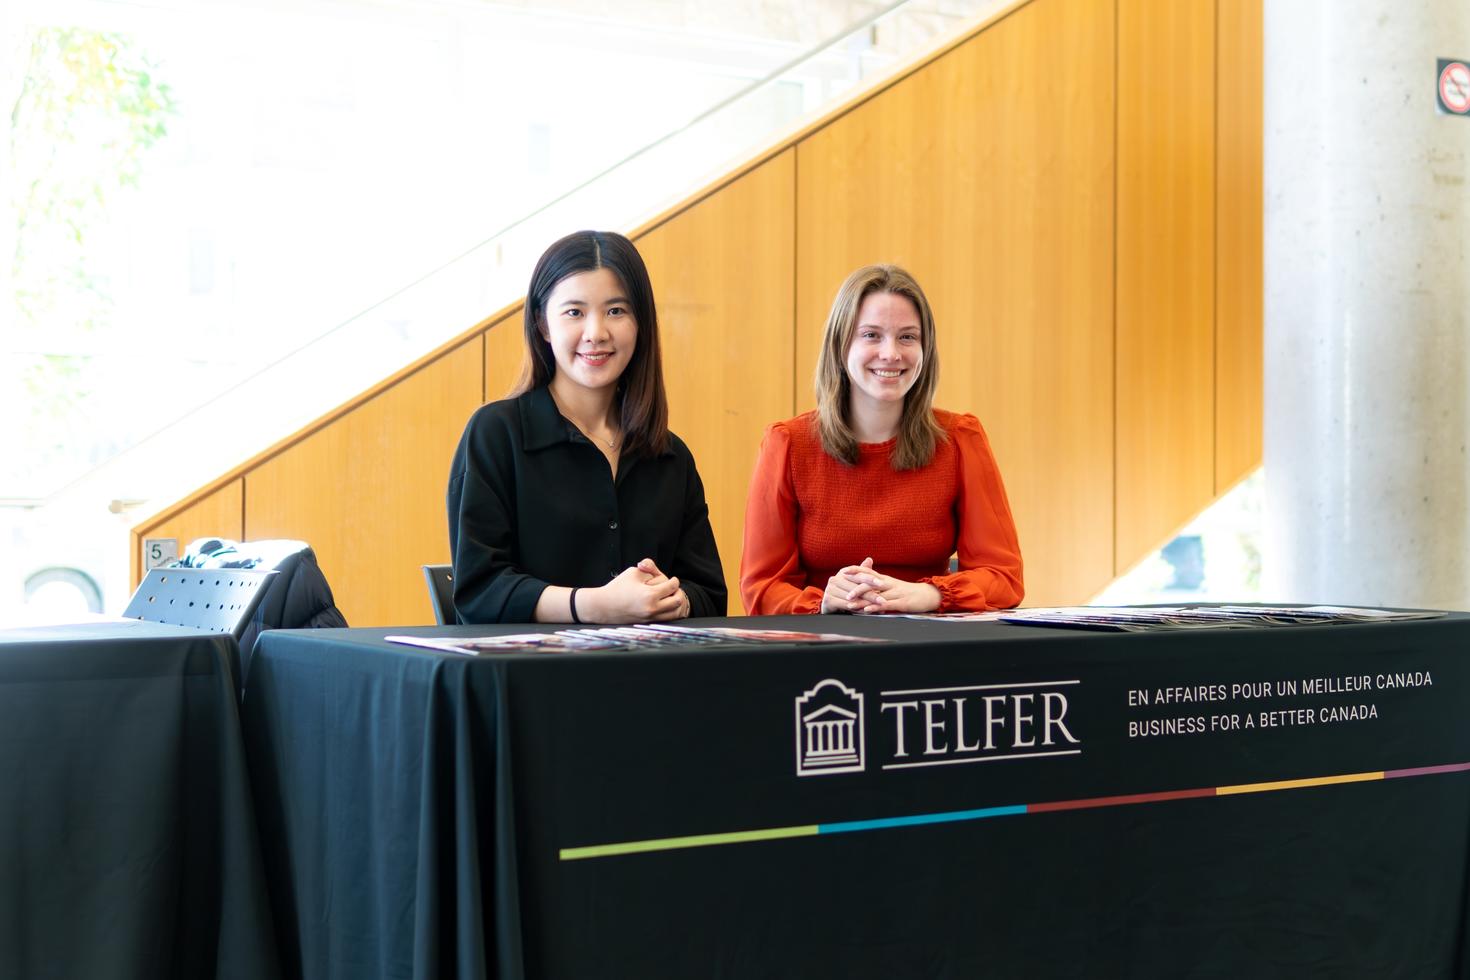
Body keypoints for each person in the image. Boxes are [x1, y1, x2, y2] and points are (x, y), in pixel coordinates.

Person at [447, 230, 726, 624]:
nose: (596, 333)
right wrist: (595, 606)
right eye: (574, 312)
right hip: (533, 678)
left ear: (640, 323)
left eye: (616, 311)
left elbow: (709, 594)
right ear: (543, 325)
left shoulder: (670, 455)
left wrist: (672, 599)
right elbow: (480, 592)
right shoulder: (496, 434)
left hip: (647, 677)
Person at [740, 264, 1023, 615]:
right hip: (821, 648)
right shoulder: (788, 444)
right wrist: (823, 603)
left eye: (907, 337)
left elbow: (1004, 578)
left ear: (925, 349)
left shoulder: (961, 439)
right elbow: (761, 589)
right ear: (840, 345)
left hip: (927, 640)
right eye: (871, 335)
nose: (891, 354)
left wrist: (930, 595)